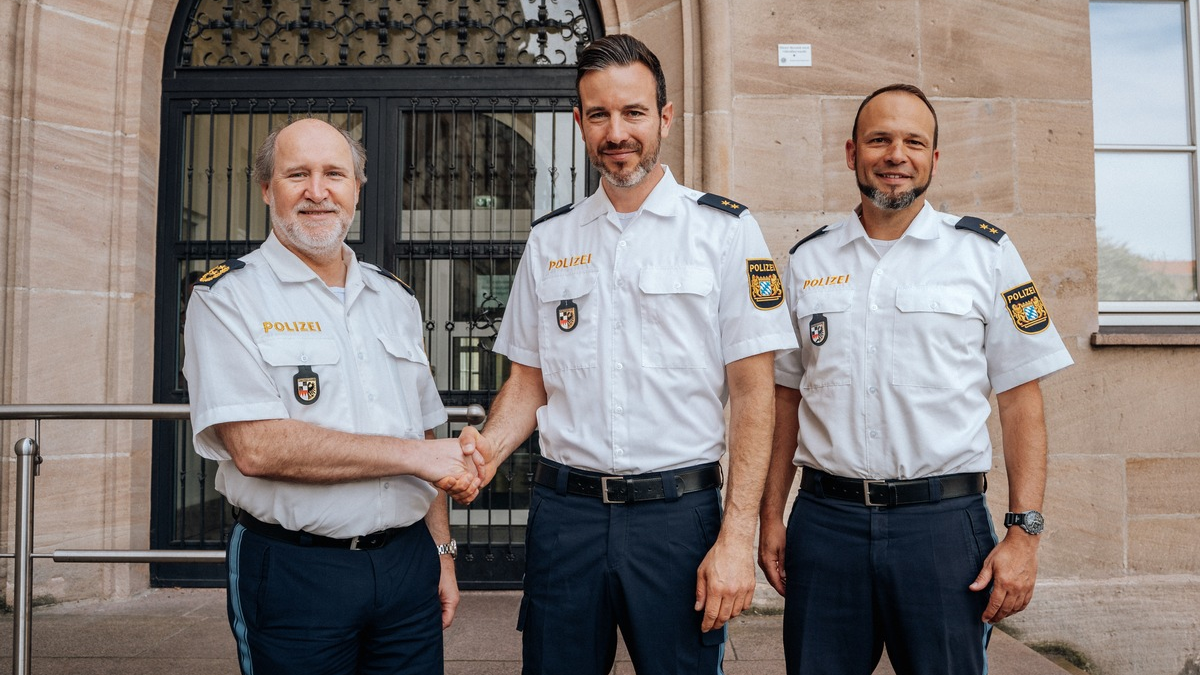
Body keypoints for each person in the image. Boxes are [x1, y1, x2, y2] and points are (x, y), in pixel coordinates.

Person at [454, 33, 797, 675]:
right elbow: (529, 381)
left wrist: (737, 533)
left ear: (664, 118)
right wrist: (486, 455)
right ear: (580, 122)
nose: (618, 132)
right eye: (600, 115)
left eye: (634, 112)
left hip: (678, 520)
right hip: (565, 520)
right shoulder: (550, 241)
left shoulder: (725, 232)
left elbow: (755, 394)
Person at [758, 83, 1075, 675]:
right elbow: (784, 400)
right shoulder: (807, 260)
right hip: (826, 527)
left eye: (914, 142)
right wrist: (770, 516)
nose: (896, 155)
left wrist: (1024, 534)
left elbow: (1021, 401)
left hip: (943, 532)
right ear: (851, 153)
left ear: (934, 158)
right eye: (879, 139)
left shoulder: (987, 254)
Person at [183, 118, 482, 675]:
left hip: (406, 566)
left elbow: (426, 434)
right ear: (268, 189)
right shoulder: (227, 298)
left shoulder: (394, 298)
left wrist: (441, 554)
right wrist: (418, 457)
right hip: (297, 572)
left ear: (356, 189)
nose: (317, 191)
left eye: (333, 174)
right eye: (298, 174)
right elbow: (258, 448)